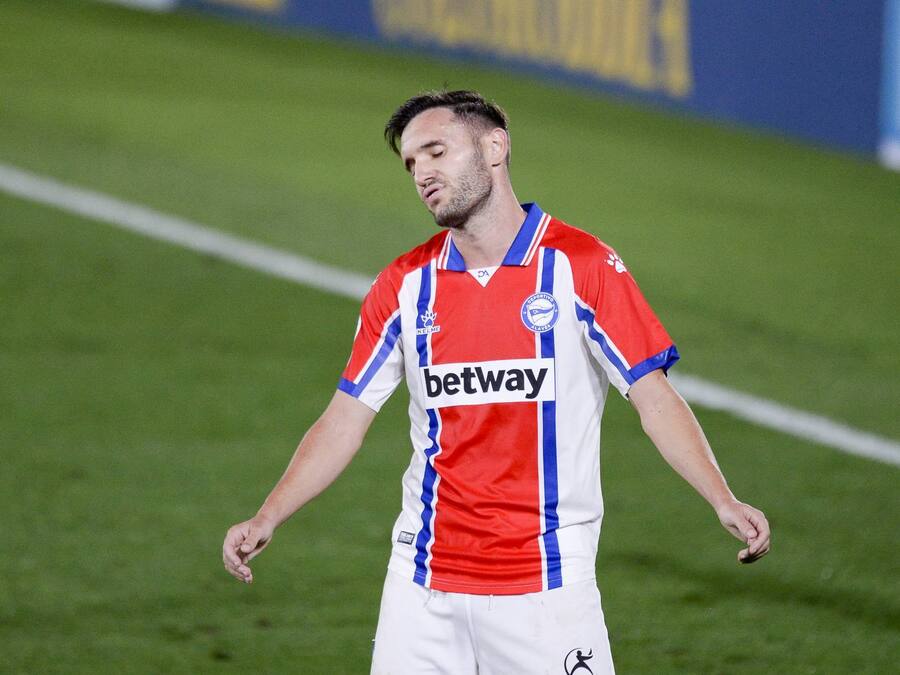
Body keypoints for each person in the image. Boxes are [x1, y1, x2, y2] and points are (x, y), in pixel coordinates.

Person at [222, 90, 771, 674]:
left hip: (547, 587)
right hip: (422, 586)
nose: (422, 173)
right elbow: (344, 419)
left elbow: (653, 396)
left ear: (494, 147)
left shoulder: (581, 267)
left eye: (436, 152)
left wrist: (722, 497)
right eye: (411, 163)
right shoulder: (404, 285)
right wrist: (268, 515)